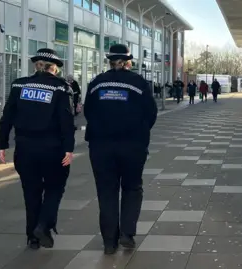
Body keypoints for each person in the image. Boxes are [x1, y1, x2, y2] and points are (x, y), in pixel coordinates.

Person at [0, 48, 75, 250]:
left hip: (24, 148)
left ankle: (33, 237)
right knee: (55, 188)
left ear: (36, 65)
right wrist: (69, 148)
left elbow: (7, 116)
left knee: (30, 192)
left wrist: (2, 144)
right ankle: (43, 226)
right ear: (54, 68)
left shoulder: (19, 85)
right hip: (52, 148)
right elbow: (66, 120)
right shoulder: (60, 88)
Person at [84, 44, 158, 255]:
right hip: (132, 146)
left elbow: (88, 111)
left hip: (101, 146)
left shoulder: (97, 83)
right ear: (128, 62)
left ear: (109, 61)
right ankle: (127, 234)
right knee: (132, 188)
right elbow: (150, 113)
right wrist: (140, 133)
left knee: (106, 192)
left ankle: (109, 242)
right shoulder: (138, 82)